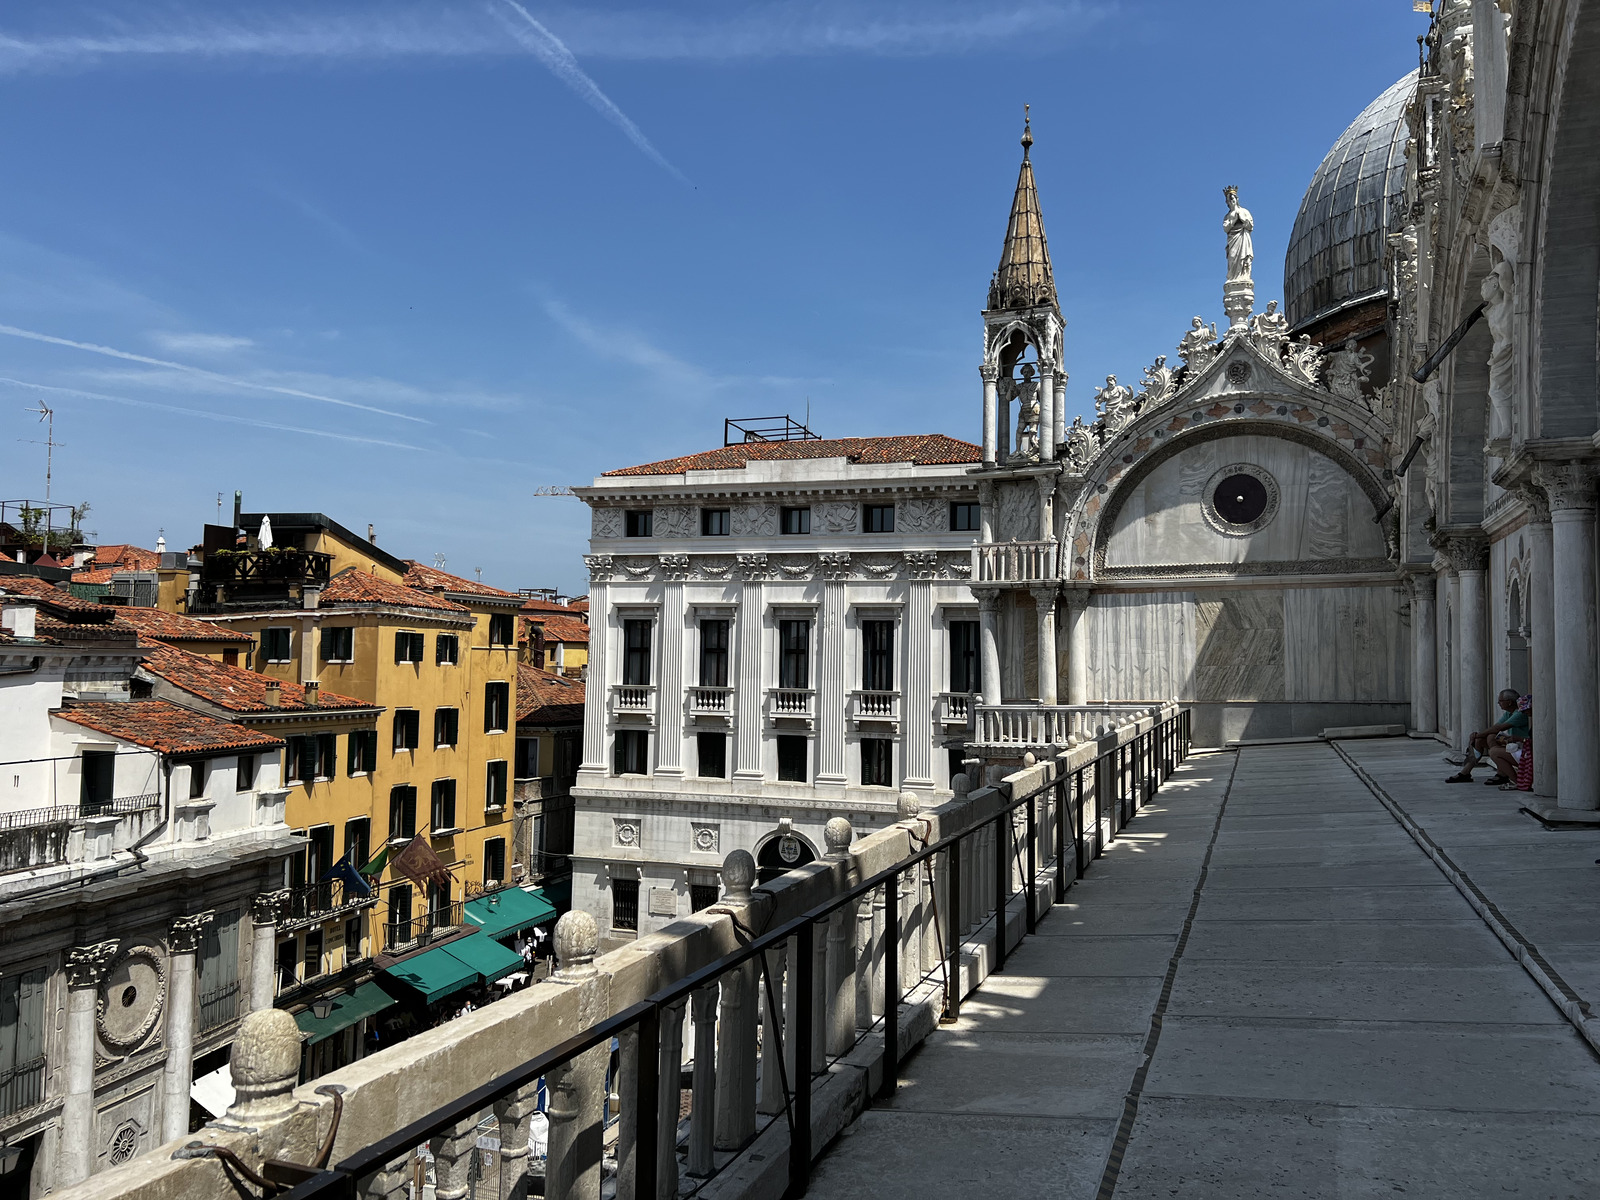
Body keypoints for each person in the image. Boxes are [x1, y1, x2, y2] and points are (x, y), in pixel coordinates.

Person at [1446, 690, 1530, 785]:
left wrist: (1477, 735)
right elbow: (1495, 727)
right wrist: (1478, 736)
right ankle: (1465, 772)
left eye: (1501, 701)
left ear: (1509, 702)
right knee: (1484, 739)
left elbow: (1499, 728)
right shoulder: (1509, 713)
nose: (1498, 703)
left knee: (1493, 751)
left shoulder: (1520, 714)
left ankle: (1514, 780)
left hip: (1523, 747)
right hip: (1514, 744)